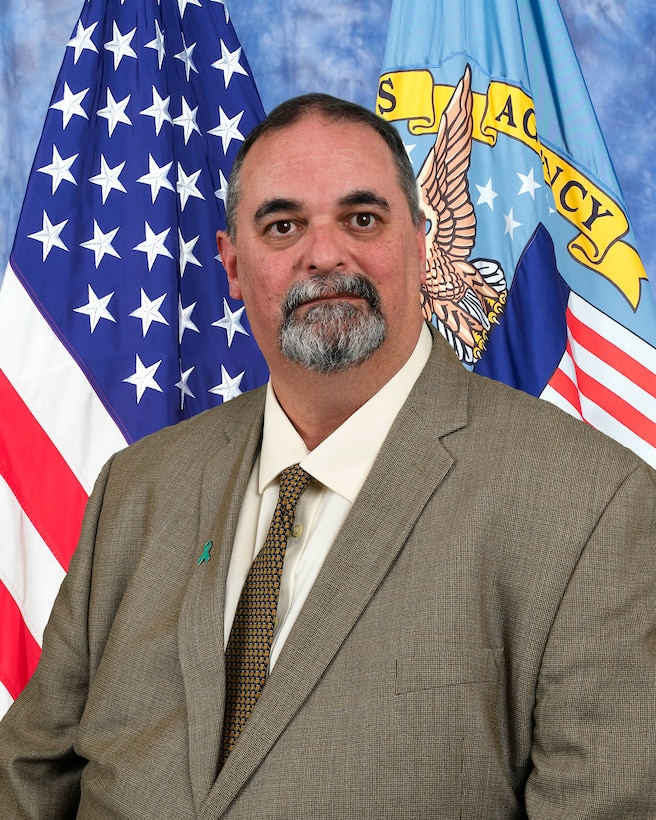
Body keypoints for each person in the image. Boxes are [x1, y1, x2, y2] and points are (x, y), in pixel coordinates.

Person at [1, 93, 655, 819]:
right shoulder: (140, 486)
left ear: (420, 240)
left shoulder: (591, 505)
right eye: (283, 226)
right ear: (233, 268)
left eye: (362, 219)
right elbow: (29, 778)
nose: (325, 253)